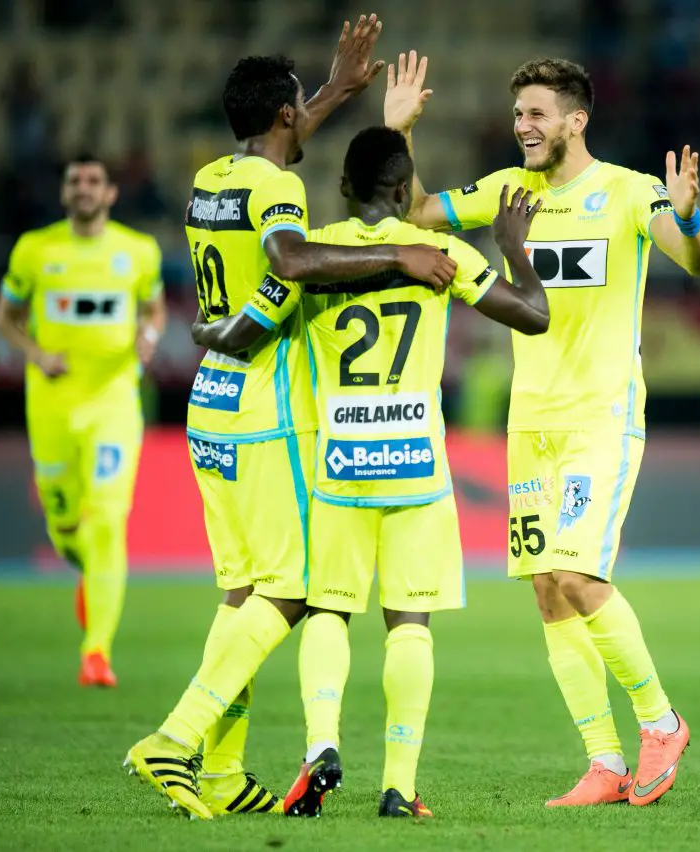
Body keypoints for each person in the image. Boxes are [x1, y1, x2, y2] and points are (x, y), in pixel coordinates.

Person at [124, 17, 458, 822]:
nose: (305, 120)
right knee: (291, 593)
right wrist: (399, 253)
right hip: (268, 411)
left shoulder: (211, 177)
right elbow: (291, 259)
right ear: (282, 115)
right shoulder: (279, 191)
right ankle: (175, 739)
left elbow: (280, 151)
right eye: (300, 107)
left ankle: (221, 770)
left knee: (241, 591)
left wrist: (339, 88)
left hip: (211, 400)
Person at [384, 52, 700, 807]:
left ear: (576, 119)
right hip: (531, 420)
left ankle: (661, 722)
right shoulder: (509, 189)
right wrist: (400, 133)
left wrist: (689, 215)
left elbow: (699, 261)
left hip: (602, 416)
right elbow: (419, 211)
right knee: (546, 589)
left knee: (577, 575)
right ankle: (603, 763)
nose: (522, 126)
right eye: (517, 114)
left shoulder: (628, 191)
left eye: (536, 114)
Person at [191, 126, 549, 818]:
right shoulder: (441, 253)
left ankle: (320, 745)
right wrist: (512, 250)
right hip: (415, 463)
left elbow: (245, 331)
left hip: (338, 462)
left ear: (343, 188)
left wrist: (208, 332)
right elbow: (533, 316)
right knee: (409, 623)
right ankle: (398, 786)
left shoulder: (313, 256)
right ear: (404, 190)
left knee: (328, 609)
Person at [0, 154, 165, 688]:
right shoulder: (35, 250)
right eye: (75, 181)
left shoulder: (138, 251)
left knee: (110, 520)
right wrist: (36, 354)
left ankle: (96, 652)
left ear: (110, 193)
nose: (84, 188)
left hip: (113, 403)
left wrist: (148, 338)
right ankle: (89, 570)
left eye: (94, 180)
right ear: (64, 192)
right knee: (67, 529)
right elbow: (6, 317)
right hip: (52, 405)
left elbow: (154, 309)